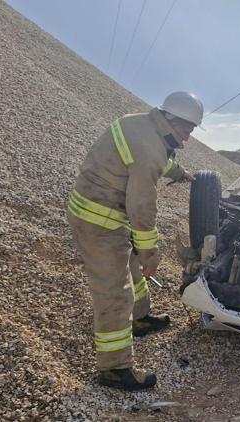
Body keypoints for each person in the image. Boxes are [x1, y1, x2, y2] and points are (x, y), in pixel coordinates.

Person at [67, 91, 201, 390]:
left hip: (96, 208)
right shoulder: (150, 150)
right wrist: (150, 253)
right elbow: (141, 210)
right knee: (115, 294)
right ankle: (114, 369)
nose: (188, 138)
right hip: (99, 223)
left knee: (133, 273)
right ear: (172, 120)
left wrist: (180, 173)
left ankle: (139, 320)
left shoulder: (140, 124)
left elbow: (154, 160)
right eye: (187, 130)